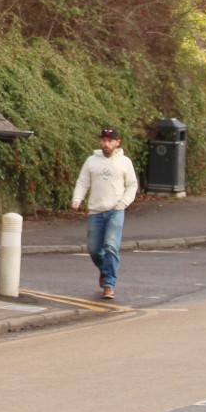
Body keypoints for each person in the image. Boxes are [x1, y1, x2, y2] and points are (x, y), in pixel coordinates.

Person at [71, 126, 139, 301]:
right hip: (96, 211)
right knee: (94, 249)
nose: (106, 144)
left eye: (110, 141)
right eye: (103, 140)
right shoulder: (92, 161)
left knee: (110, 246)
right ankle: (105, 269)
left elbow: (132, 185)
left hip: (115, 211)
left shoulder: (125, 162)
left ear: (117, 142)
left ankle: (109, 285)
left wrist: (122, 203)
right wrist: (77, 199)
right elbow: (83, 181)